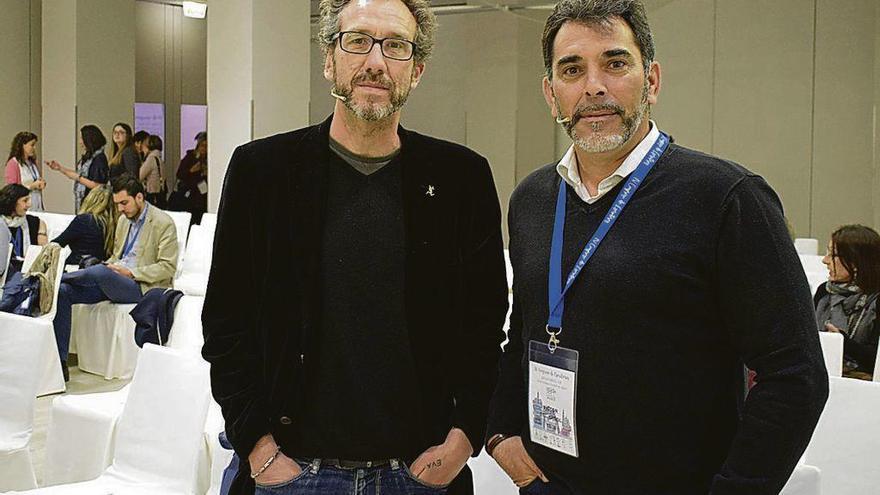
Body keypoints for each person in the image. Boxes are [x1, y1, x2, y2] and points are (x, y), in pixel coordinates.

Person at [486, 1, 829, 494]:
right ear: (550, 92)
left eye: (615, 63)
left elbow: (795, 375)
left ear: (652, 80)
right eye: (572, 69)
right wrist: (500, 435)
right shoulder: (533, 200)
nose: (594, 86)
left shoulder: (727, 198)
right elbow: (523, 334)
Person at [201, 1, 508, 494]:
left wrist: (461, 439)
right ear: (329, 60)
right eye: (358, 40)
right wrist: (259, 449)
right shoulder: (263, 173)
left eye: (396, 46)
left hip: (419, 473)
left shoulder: (461, 180)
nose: (376, 61)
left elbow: (484, 322)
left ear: (418, 70)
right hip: (290, 472)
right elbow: (225, 321)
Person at [53, 174, 178, 380]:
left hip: (143, 286)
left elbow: (167, 267)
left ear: (139, 197)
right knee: (63, 292)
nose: (120, 209)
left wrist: (131, 272)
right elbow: (117, 255)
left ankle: (55, 277)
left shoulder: (163, 223)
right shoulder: (123, 221)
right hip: (117, 279)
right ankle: (61, 363)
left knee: (99, 272)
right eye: (117, 204)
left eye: (124, 203)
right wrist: (113, 265)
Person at [816, 225, 880, 380]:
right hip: (818, 377)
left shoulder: (876, 300)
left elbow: (876, 359)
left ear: (855, 262)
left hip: (863, 386)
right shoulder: (824, 292)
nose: (825, 261)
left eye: (832, 255)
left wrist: (842, 343)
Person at [46, 124, 109, 212]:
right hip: (84, 201)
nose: (80, 142)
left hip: (93, 204)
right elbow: (80, 174)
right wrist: (60, 168)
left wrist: (78, 178)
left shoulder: (99, 159)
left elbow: (98, 185)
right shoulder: (89, 156)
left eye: (82, 139)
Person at [52, 185, 117, 266]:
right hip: (103, 270)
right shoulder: (116, 224)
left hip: (77, 268)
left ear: (90, 200)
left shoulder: (84, 220)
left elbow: (58, 243)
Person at [0, 184, 48, 277]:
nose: (29, 205)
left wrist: (42, 233)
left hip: (29, 272)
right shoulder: (1, 224)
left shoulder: (36, 223)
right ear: (12, 202)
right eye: (25, 200)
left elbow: (44, 254)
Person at [6, 131, 46, 211]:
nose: (34, 148)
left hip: (37, 203)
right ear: (23, 146)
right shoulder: (13, 163)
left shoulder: (32, 163)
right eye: (32, 145)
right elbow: (12, 189)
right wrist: (32, 186)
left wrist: (41, 183)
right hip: (24, 207)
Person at [173, 131, 207, 224]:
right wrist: (191, 170)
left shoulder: (209, 159)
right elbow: (179, 174)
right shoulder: (190, 157)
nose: (204, 149)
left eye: (206, 146)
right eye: (202, 146)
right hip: (189, 197)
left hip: (202, 198)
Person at [140, 135, 166, 208]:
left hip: (151, 194)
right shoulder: (159, 158)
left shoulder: (151, 159)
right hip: (159, 194)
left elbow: (140, 176)